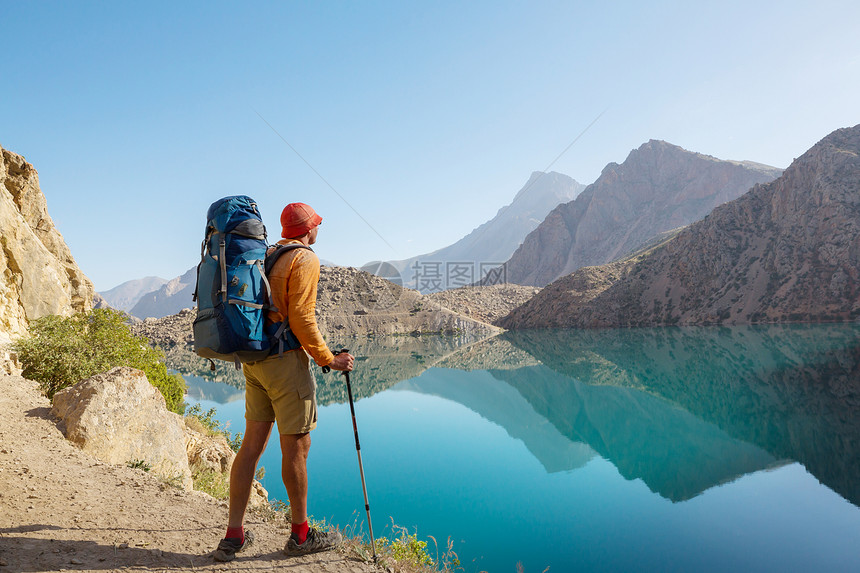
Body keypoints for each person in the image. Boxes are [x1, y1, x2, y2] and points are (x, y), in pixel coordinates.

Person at [214, 202, 354, 562]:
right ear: (310, 228)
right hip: (284, 364)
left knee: (251, 447)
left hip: (255, 360)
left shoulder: (271, 253)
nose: (318, 230)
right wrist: (329, 359)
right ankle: (301, 535)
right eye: (317, 225)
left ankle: (233, 535)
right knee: (296, 449)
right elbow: (303, 319)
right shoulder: (304, 259)